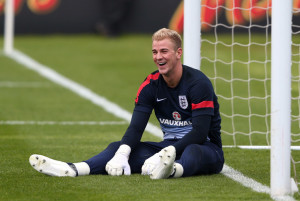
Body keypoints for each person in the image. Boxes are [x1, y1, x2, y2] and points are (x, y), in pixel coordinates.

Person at [29, 28, 224, 179]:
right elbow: (136, 127)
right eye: (155, 52)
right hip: (165, 149)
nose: (158, 57)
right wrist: (123, 153)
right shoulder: (150, 85)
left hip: (206, 149)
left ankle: (171, 170)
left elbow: (200, 133)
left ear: (178, 53)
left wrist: (171, 152)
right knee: (118, 147)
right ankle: (73, 169)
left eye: (164, 51)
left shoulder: (198, 84)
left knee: (192, 151)